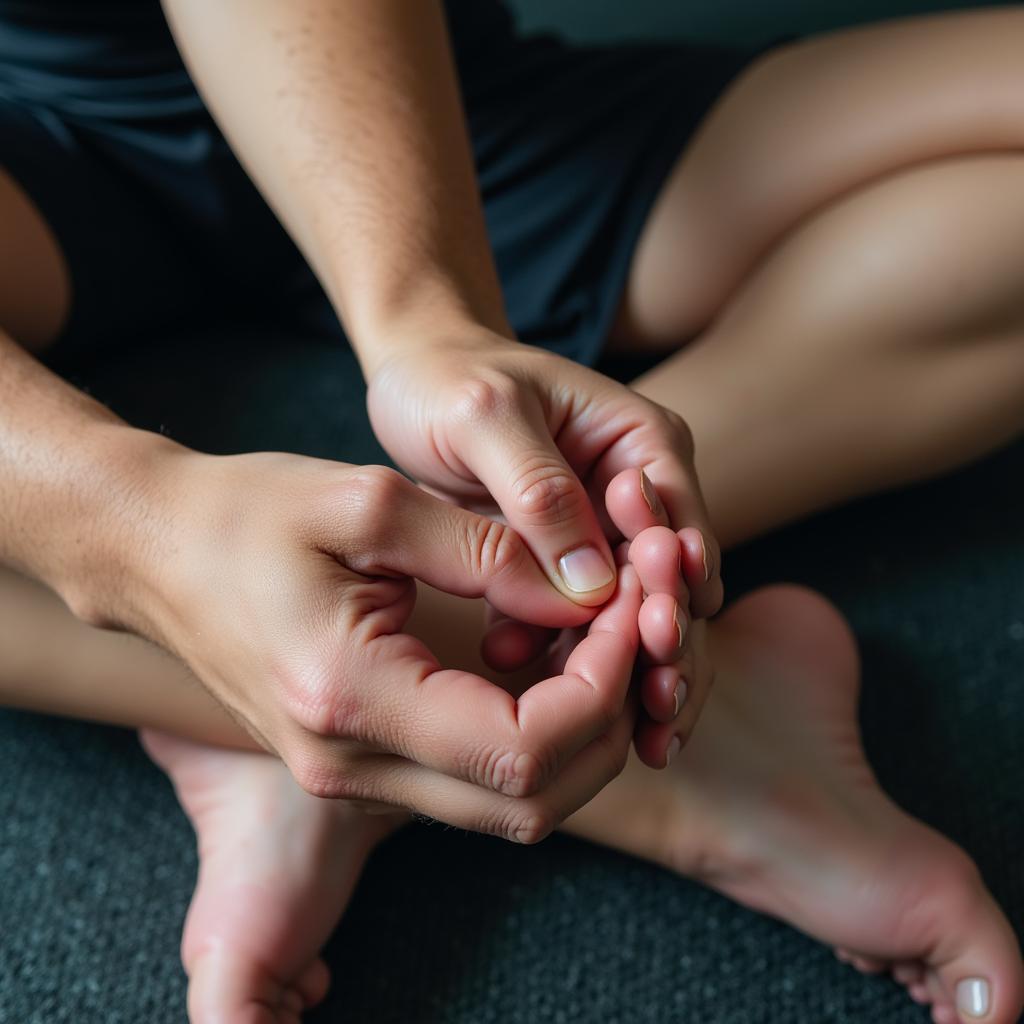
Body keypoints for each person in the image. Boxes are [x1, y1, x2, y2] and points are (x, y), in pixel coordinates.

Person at [2, 1, 1024, 1022]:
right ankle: (655, 765)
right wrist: (147, 535)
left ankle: (360, 673)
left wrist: (427, 316)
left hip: (401, 98)